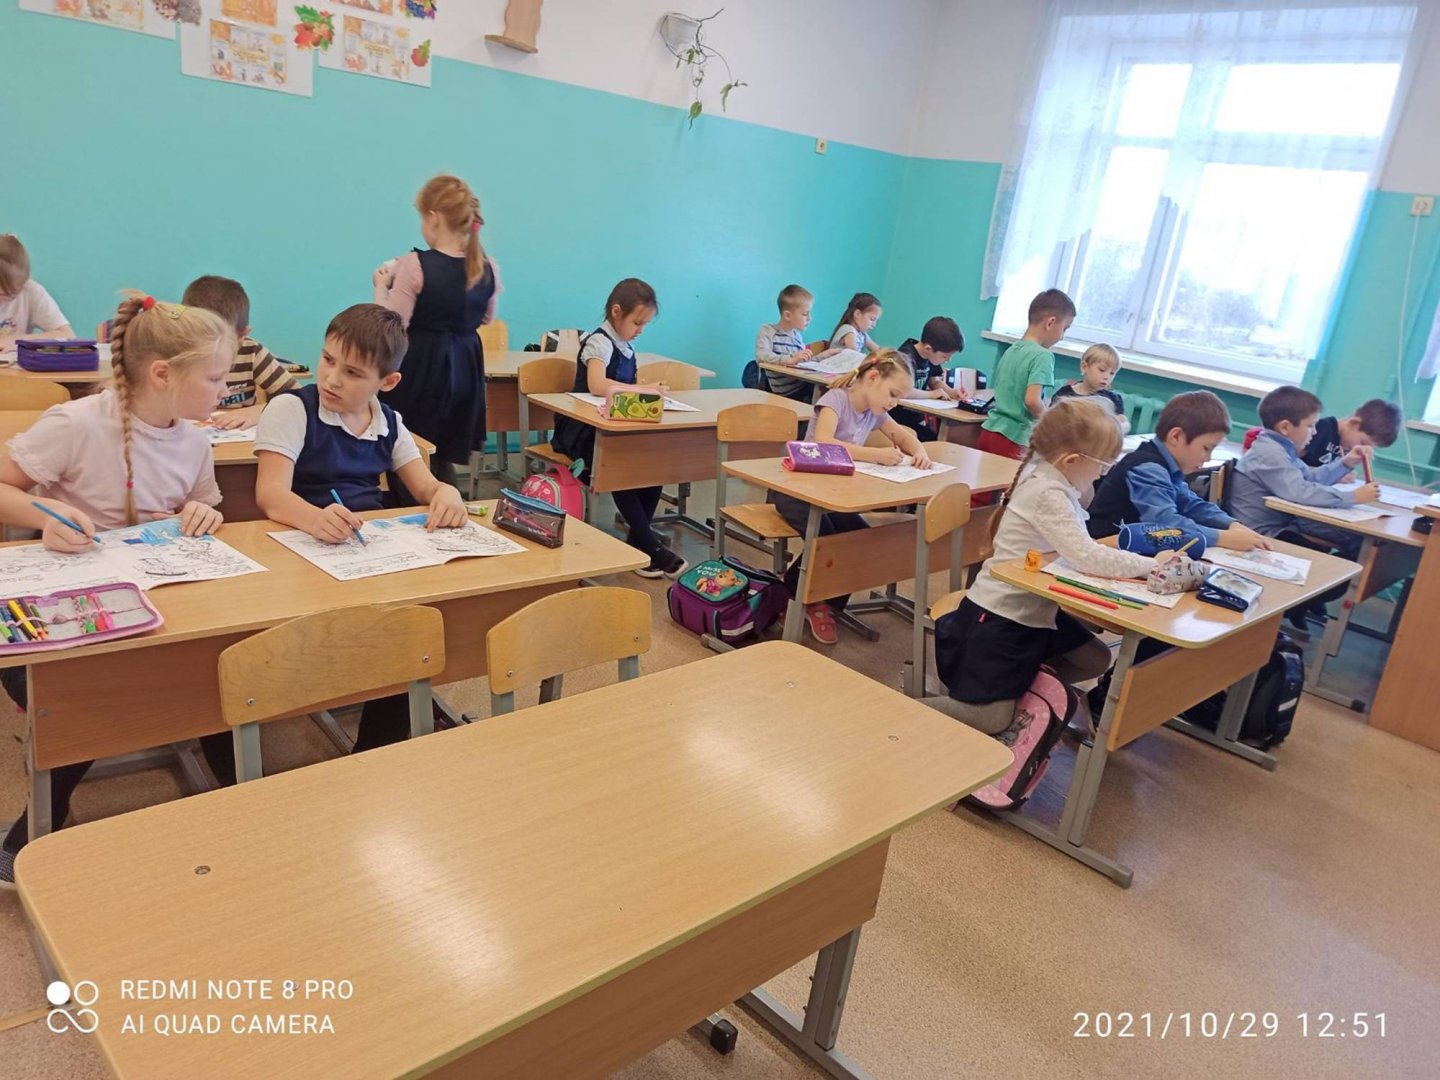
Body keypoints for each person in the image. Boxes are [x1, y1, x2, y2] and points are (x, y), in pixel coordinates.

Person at [0, 292, 236, 886]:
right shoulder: (77, 423)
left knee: (220, 666)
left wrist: (203, 514)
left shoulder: (194, 439)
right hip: (72, 608)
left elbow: (206, 506)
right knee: (91, 692)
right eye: (214, 378)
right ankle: (33, 830)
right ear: (163, 375)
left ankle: (240, 794)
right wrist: (44, 514)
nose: (224, 390)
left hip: (160, 597)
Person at [374, 173, 501, 486]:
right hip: (466, 368)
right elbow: (487, 318)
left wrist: (381, 286)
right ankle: (445, 497)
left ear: (433, 217)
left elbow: (391, 324)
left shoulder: (414, 264)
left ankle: (408, 499)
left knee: (408, 446)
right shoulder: (488, 266)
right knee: (441, 452)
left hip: (422, 368)